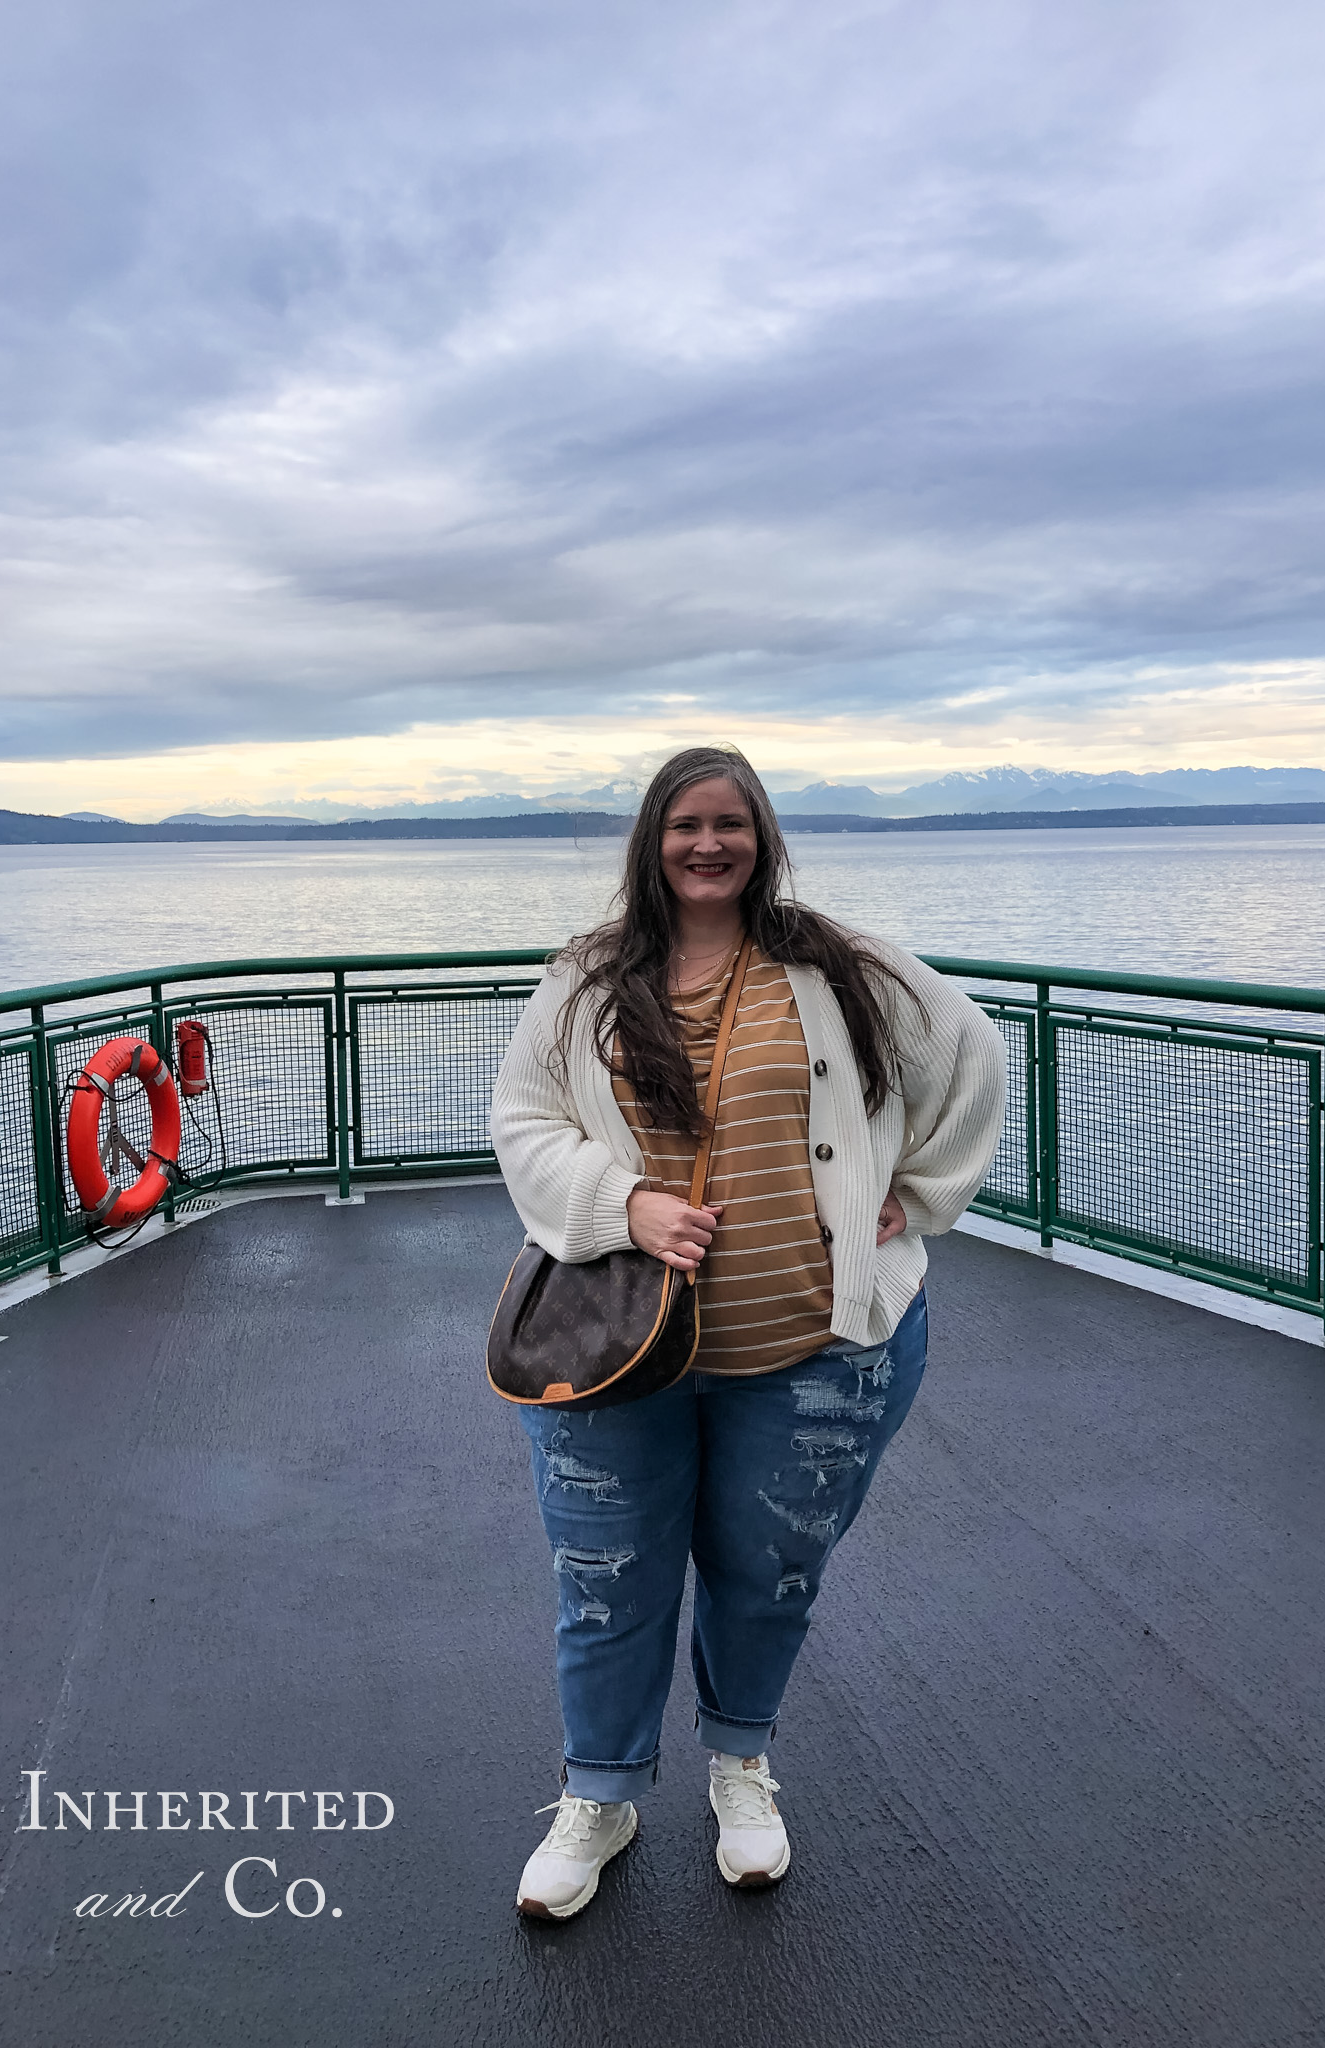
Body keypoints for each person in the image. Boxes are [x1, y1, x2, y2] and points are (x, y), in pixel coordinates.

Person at [490, 744, 1006, 1920]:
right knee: (605, 1580)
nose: (707, 844)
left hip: (811, 1351)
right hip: (617, 1350)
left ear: (762, 834)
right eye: (685, 825)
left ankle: (740, 1767)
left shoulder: (841, 965)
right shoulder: (586, 977)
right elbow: (522, 1119)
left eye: (729, 822)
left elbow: (971, 1055)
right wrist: (624, 1203)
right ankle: (601, 1792)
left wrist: (916, 1192)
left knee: (767, 1575)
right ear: (653, 841)